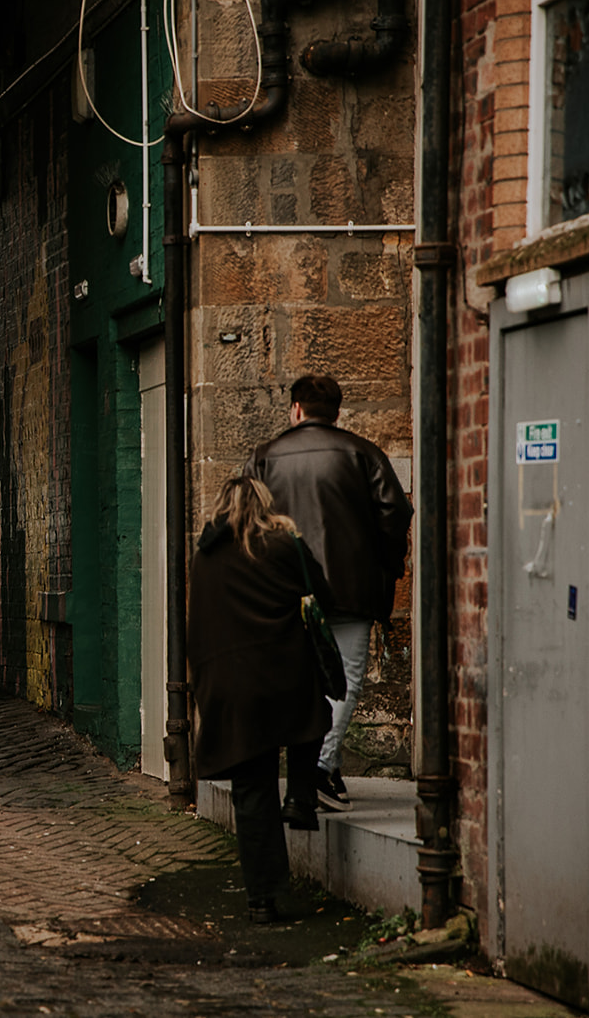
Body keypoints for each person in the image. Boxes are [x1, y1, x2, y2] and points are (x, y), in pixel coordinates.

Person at [244, 375, 414, 812]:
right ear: (336, 412)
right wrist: (384, 563)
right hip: (350, 586)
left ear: (296, 409)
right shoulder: (362, 453)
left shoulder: (266, 457)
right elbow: (395, 510)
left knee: (295, 679)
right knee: (346, 678)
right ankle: (321, 766)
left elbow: (247, 518)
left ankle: (318, 767)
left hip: (284, 588)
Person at [188, 475, 333, 924]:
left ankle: (262, 900)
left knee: (252, 792)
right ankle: (302, 796)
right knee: (316, 719)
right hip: (285, 677)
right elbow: (321, 591)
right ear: (265, 505)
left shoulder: (204, 557)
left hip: (232, 690)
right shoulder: (282, 545)